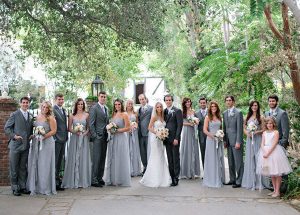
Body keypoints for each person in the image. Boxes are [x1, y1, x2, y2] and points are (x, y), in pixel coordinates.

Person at [4, 97, 33, 196]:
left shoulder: (30, 115)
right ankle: (15, 187)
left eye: (27, 103)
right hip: (15, 146)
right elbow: (7, 128)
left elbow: (29, 129)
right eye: (23, 102)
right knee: (14, 167)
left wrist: (31, 135)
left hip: (25, 146)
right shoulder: (14, 115)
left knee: (23, 168)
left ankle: (23, 187)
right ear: (20, 104)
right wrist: (14, 136)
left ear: (29, 104)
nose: (25, 104)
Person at [256, 117, 292, 198]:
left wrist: (268, 153)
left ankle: (277, 191)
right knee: (271, 173)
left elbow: (274, 144)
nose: (269, 125)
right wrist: (264, 152)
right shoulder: (264, 133)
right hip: (265, 153)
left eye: (271, 123)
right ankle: (274, 190)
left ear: (273, 124)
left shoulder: (276, 132)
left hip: (274, 153)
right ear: (266, 124)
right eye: (268, 123)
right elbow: (262, 143)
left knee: (277, 173)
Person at [27, 101, 57, 195]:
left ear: (49, 109)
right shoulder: (37, 117)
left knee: (44, 164)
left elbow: (54, 131)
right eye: (43, 107)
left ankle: (45, 188)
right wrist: (33, 136)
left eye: (46, 107)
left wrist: (44, 136)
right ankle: (36, 186)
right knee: (36, 163)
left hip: (47, 143)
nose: (44, 109)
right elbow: (35, 130)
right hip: (36, 142)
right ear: (41, 107)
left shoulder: (51, 118)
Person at [62, 98, 92, 188]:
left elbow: (88, 127)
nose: (80, 106)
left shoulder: (87, 115)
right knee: (74, 157)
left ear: (83, 105)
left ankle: (82, 180)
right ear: (76, 105)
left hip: (84, 139)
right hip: (75, 138)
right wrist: (76, 132)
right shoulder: (72, 115)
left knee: (83, 157)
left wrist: (85, 133)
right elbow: (69, 128)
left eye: (82, 104)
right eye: (79, 104)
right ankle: (73, 179)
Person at [140, 102, 171, 187]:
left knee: (161, 156)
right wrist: (157, 133)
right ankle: (153, 178)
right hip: (155, 138)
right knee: (155, 156)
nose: (159, 108)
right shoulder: (154, 117)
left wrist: (163, 134)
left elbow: (164, 126)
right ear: (155, 108)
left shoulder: (162, 116)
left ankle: (163, 177)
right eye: (157, 107)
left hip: (161, 139)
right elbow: (149, 127)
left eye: (160, 107)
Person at [265, 94, 290, 193]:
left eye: (273, 101)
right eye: (270, 101)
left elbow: (285, 131)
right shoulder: (266, 113)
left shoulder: (282, 113)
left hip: (279, 145)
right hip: (269, 146)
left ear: (276, 102)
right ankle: (274, 188)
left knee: (282, 167)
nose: (271, 103)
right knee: (272, 167)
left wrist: (282, 144)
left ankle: (283, 189)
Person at [104, 99, 131, 186]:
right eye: (115, 104)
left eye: (119, 104)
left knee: (120, 157)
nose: (117, 106)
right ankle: (112, 179)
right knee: (113, 157)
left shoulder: (125, 114)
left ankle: (120, 179)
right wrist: (110, 129)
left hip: (121, 138)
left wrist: (117, 130)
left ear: (121, 105)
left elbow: (128, 128)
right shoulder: (113, 114)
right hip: (113, 138)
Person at [242, 101, 265, 190]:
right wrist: (247, 133)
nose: (254, 107)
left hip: (258, 139)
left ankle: (259, 182)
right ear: (250, 107)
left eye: (256, 105)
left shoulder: (261, 117)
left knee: (258, 159)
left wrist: (256, 132)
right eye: (252, 105)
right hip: (249, 140)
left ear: (258, 107)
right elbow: (244, 128)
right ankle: (251, 181)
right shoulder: (247, 117)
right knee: (250, 158)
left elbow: (263, 129)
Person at [223, 95, 244, 188]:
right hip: (228, 141)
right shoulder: (224, 113)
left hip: (236, 141)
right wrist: (224, 140)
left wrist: (238, 141)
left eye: (230, 100)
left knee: (238, 162)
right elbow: (225, 128)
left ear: (233, 102)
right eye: (227, 100)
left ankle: (239, 180)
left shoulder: (238, 112)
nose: (228, 102)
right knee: (230, 162)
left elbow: (240, 128)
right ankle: (232, 179)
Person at [202, 101, 225, 188]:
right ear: (210, 108)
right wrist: (213, 136)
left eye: (215, 106)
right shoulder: (207, 117)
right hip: (211, 140)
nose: (213, 108)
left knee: (218, 159)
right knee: (211, 159)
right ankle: (211, 179)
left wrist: (220, 135)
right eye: (212, 107)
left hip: (219, 140)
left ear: (217, 108)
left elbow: (221, 128)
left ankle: (218, 178)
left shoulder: (219, 117)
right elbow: (205, 130)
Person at [89, 91, 109, 187]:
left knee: (102, 158)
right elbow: (91, 124)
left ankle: (100, 178)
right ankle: (94, 179)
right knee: (96, 159)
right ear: (98, 97)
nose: (103, 98)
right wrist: (95, 136)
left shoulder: (106, 108)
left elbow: (107, 122)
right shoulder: (94, 108)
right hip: (97, 137)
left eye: (105, 97)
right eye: (101, 96)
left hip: (105, 137)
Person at [163, 94, 183, 186]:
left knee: (175, 158)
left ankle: (176, 178)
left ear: (172, 100)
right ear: (165, 101)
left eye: (169, 100)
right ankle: (171, 177)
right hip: (166, 138)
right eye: (166, 100)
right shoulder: (164, 111)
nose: (168, 101)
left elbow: (179, 125)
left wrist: (176, 138)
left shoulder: (177, 111)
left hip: (174, 139)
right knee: (169, 159)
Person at [180, 97, 200, 179]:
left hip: (193, 131)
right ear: (184, 104)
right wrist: (189, 124)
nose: (188, 103)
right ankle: (186, 172)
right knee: (187, 149)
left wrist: (196, 122)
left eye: (189, 102)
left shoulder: (193, 111)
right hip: (186, 131)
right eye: (186, 102)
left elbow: (197, 121)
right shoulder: (182, 112)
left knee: (194, 149)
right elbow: (181, 122)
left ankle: (193, 171)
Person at [53, 93, 68, 190]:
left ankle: (58, 180)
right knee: (55, 161)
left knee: (60, 162)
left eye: (62, 99)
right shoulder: (53, 110)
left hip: (63, 139)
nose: (61, 101)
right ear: (55, 100)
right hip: (56, 139)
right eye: (59, 99)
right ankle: (54, 182)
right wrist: (55, 137)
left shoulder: (64, 110)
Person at [137, 94, 153, 174]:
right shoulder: (138, 110)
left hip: (148, 133)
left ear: (146, 99)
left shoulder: (151, 108)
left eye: (143, 99)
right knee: (142, 152)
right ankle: (145, 167)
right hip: (140, 134)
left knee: (149, 151)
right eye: (140, 99)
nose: (142, 101)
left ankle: (150, 168)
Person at [126, 99, 142, 177]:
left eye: (131, 103)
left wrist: (135, 127)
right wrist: (127, 129)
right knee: (127, 150)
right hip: (126, 134)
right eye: (128, 103)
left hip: (134, 133)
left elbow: (137, 123)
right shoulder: (124, 113)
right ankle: (127, 169)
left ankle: (135, 169)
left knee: (134, 150)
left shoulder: (135, 113)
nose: (130, 105)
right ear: (126, 104)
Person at [195, 97, 207, 169]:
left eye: (204, 103)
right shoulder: (196, 113)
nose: (202, 104)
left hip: (209, 134)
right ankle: (205, 170)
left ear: (206, 103)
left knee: (210, 152)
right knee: (203, 152)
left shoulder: (210, 111)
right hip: (201, 134)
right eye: (201, 103)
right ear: (199, 103)